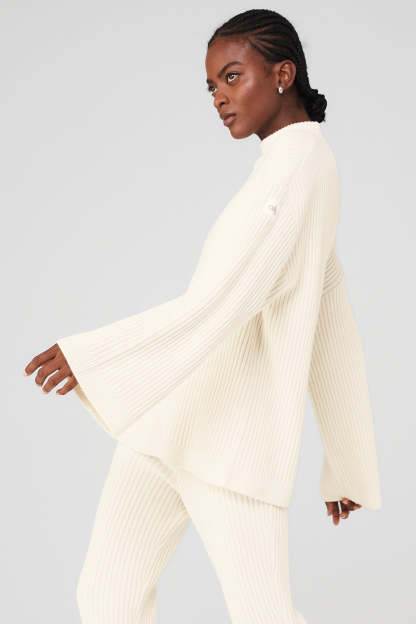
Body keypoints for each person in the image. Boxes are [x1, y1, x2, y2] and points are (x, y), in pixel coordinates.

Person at [23, 9, 382, 624]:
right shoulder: (288, 167)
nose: (218, 96)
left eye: (232, 76)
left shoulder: (298, 171)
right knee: (106, 598)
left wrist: (94, 357)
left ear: (283, 75)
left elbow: (225, 304)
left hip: (231, 446)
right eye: (212, 84)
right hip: (171, 425)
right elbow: (330, 311)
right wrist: (347, 462)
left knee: (263, 614)